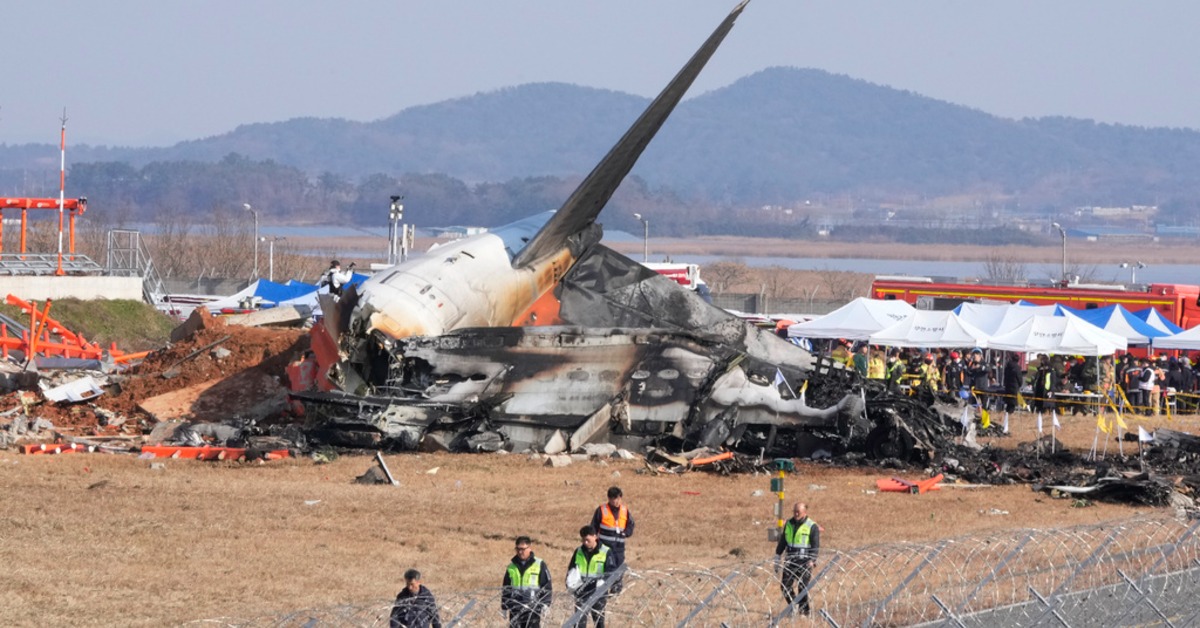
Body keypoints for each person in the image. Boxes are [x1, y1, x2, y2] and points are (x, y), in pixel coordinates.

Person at [774, 502, 820, 616]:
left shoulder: (812, 526)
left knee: (802, 588)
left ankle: (804, 612)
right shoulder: (789, 524)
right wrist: (777, 556)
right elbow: (783, 541)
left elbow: (815, 546)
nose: (795, 513)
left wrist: (812, 560)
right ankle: (793, 605)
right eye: (794, 511)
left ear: (805, 512)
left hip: (805, 562)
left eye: (798, 512)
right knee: (785, 586)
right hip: (790, 560)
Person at [566, 526, 617, 628]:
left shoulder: (606, 552)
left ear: (595, 537)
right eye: (583, 540)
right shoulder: (579, 552)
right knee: (579, 623)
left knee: (599, 622)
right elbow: (572, 569)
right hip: (581, 592)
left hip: (599, 593)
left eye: (587, 540)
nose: (585, 542)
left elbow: (611, 571)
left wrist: (603, 581)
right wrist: (569, 582)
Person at [591, 486, 634, 594]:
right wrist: (593, 541)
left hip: (619, 547)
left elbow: (631, 524)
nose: (616, 501)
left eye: (618, 498)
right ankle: (602, 589)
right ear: (609, 499)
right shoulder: (601, 510)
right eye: (614, 498)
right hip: (605, 547)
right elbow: (594, 527)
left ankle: (615, 591)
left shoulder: (625, 510)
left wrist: (626, 533)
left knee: (618, 569)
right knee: (605, 569)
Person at [502, 536, 552, 628]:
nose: (520, 552)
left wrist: (546, 603)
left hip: (533, 608)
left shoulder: (539, 564)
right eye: (517, 549)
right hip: (515, 608)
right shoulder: (511, 567)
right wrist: (504, 606)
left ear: (529, 548)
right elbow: (506, 588)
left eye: (522, 549)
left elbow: (546, 585)